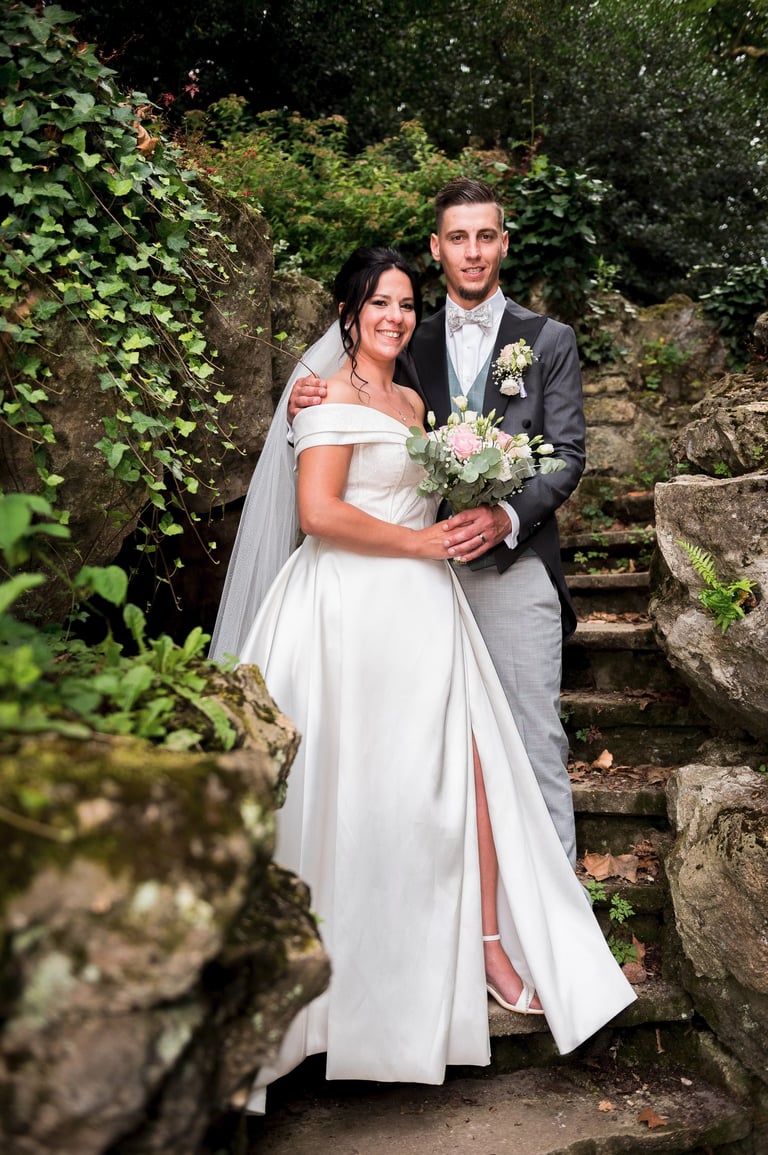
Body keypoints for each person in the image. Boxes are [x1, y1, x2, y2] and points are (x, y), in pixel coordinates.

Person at [211, 247, 635, 1113]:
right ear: (348, 312)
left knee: (465, 775)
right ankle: (317, 994)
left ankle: (481, 946)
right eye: (380, 303)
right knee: (341, 791)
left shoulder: (414, 401)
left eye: (406, 303)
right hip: (344, 612)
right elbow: (318, 513)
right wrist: (417, 543)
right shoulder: (324, 397)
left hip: (424, 610)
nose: (396, 317)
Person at [289, 178, 585, 867]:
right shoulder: (401, 338)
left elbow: (568, 455)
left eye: (485, 236)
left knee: (532, 739)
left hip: (513, 566)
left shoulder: (549, 339)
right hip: (414, 578)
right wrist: (309, 397)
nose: (472, 252)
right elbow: (354, 413)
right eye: (458, 238)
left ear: (504, 243)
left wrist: (507, 514)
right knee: (432, 753)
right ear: (437, 247)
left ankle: (560, 910)